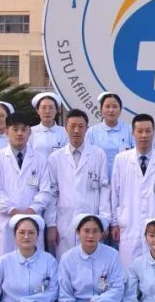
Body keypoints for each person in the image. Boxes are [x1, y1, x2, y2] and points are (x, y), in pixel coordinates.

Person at [0, 113, 52, 269]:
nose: (20, 133)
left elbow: (45, 190)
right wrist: (13, 211)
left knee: (32, 269)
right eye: (15, 129)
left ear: (30, 132)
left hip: (32, 219)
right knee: (4, 269)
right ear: (6, 131)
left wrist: (31, 210)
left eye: (24, 129)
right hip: (5, 222)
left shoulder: (40, 159)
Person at [110, 114, 155, 269]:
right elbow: (114, 193)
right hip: (129, 225)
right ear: (133, 133)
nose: (144, 135)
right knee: (129, 271)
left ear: (154, 133)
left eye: (148, 131)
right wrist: (114, 223)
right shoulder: (121, 159)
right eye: (139, 131)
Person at [46, 109, 111, 258]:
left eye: (81, 126)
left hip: (92, 219)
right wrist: (51, 224)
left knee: (92, 261)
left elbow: (104, 189)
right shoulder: (55, 158)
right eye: (72, 126)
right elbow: (52, 192)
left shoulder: (98, 154)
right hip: (65, 221)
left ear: (87, 128)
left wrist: (104, 220)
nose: (76, 130)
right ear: (65, 128)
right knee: (66, 261)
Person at [85, 92, 134, 180]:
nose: (111, 110)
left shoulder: (129, 130)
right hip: (99, 178)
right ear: (101, 109)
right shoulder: (92, 132)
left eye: (115, 106)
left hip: (125, 178)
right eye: (107, 107)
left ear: (120, 110)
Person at [30, 92, 68, 159]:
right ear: (37, 111)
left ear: (56, 110)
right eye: (43, 107)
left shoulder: (65, 133)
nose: (47, 111)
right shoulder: (30, 133)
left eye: (51, 107)